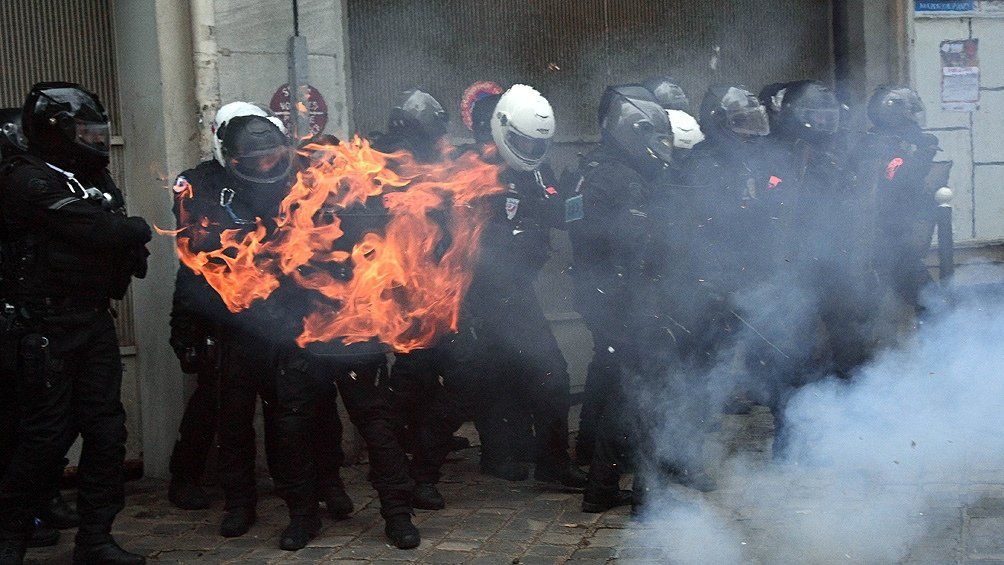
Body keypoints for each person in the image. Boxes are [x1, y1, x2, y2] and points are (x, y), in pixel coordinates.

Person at [168, 108, 351, 550]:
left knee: (302, 415)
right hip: (232, 322)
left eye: (272, 154)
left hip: (290, 320)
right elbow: (192, 266)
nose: (266, 163)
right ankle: (239, 502)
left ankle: (313, 496)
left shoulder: (300, 180)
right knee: (232, 417)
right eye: (256, 157)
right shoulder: (202, 186)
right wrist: (186, 332)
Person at [0, 82, 150, 565]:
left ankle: (96, 538)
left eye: (98, 132)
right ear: (54, 132)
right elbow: (99, 228)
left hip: (92, 321)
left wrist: (124, 238)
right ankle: (11, 535)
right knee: (45, 435)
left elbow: (114, 233)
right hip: (46, 324)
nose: (96, 141)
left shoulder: (91, 176)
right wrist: (128, 232)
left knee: (107, 431)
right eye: (84, 132)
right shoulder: (28, 179)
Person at [464, 84, 587, 489]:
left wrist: (577, 198)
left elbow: (556, 211)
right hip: (483, 294)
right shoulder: (475, 170)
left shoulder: (535, 168)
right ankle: (512, 456)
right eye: (522, 142)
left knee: (513, 374)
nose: (530, 150)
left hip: (517, 290)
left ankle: (521, 457)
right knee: (540, 373)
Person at [569, 85, 676, 512]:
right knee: (642, 390)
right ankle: (645, 495)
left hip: (601, 296)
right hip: (627, 299)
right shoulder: (623, 180)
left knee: (618, 385)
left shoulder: (592, 167)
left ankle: (601, 487)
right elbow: (638, 247)